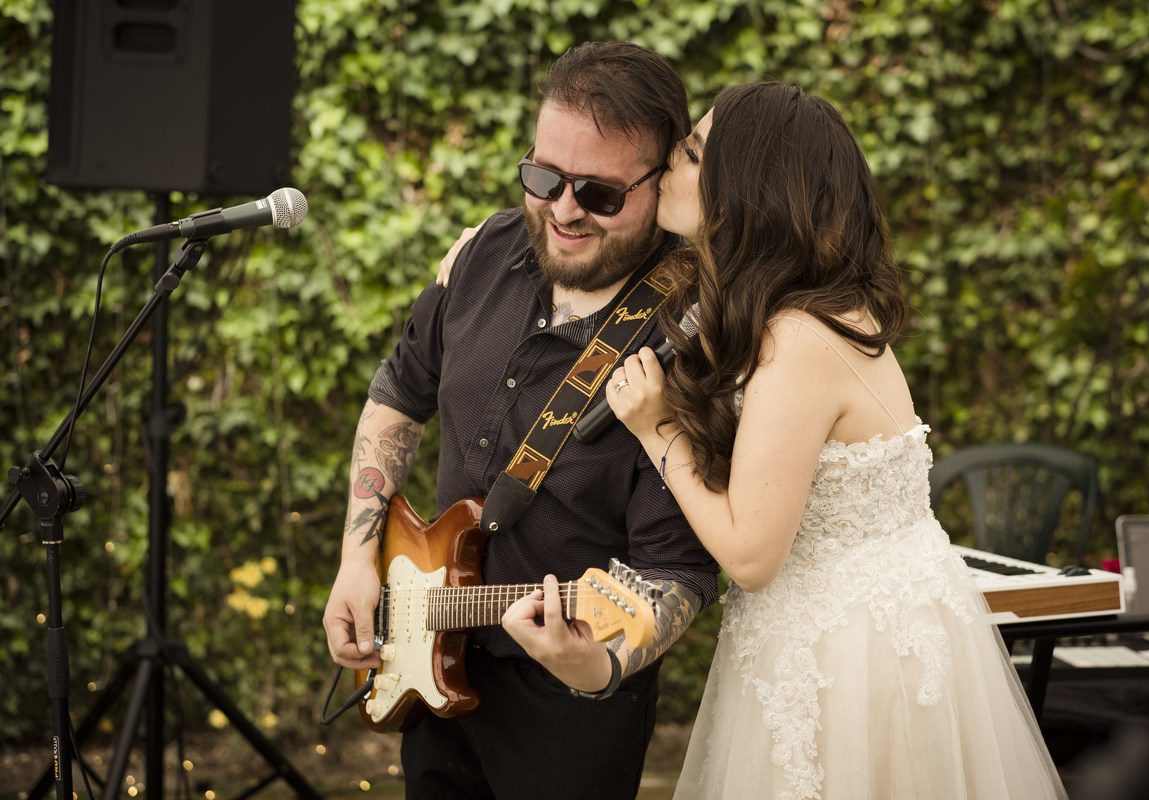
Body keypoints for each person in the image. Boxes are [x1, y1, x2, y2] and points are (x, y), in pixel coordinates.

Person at [601, 82, 1069, 799]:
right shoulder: (811, 313)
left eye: (692, 153)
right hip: (856, 630)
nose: (669, 161)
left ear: (743, 190)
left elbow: (751, 554)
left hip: (848, 660)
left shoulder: (795, 340)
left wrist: (655, 428)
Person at [321, 41, 719, 800]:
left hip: (569, 703)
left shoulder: (689, 336)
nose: (564, 210)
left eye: (600, 194)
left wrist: (590, 662)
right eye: (545, 177)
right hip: (430, 658)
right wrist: (355, 559)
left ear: (661, 177)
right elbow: (399, 396)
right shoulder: (485, 252)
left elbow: (679, 574)